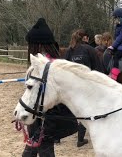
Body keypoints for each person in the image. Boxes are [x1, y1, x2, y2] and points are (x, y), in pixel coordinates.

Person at [22, 18, 85, 157]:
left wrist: (44, 125)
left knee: (41, 150)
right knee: (32, 150)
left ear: (37, 44)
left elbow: (57, 98)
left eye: (30, 44)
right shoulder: (41, 63)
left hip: (47, 120)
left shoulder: (51, 65)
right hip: (38, 117)